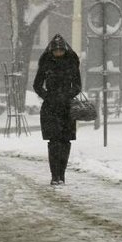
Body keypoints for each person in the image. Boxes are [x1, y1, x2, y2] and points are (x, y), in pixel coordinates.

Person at [33, 34, 81, 185]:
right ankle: (55, 175)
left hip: (67, 109)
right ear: (51, 51)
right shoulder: (46, 64)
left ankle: (62, 174)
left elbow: (78, 86)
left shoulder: (71, 63)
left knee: (65, 142)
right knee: (53, 142)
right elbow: (37, 85)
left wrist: (67, 96)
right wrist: (48, 96)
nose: (58, 53)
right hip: (50, 108)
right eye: (56, 51)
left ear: (65, 50)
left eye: (60, 50)